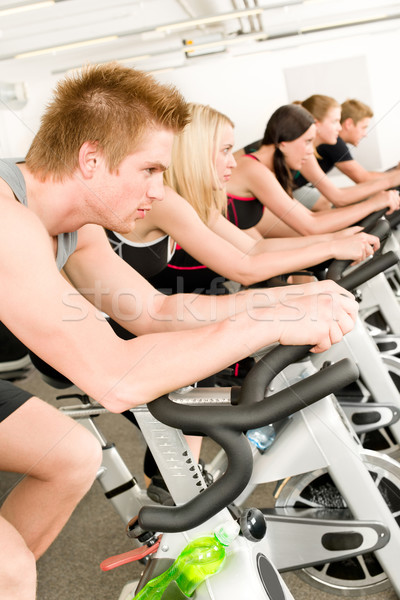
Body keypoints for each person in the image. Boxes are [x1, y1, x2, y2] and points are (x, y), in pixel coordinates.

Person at [0, 63, 359, 600]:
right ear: (91, 159)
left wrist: (287, 300)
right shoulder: (7, 218)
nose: (160, 191)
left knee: (71, 455)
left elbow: (154, 313)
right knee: (8, 566)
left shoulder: (77, 226)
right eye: (149, 170)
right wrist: (277, 318)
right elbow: (114, 377)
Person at [109, 102, 379, 300]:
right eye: (225, 150)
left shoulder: (198, 201)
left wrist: (336, 240)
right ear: (197, 154)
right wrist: (331, 248)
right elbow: (245, 268)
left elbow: (254, 249)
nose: (233, 161)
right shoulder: (165, 200)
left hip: (183, 307)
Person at [226, 104, 400, 240]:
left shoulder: (264, 169)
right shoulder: (255, 170)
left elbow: (308, 222)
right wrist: (373, 203)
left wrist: (337, 239)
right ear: (284, 143)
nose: (311, 152)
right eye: (308, 141)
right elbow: (311, 225)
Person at [317, 98, 400, 183]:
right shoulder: (335, 143)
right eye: (363, 127)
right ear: (348, 124)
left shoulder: (336, 142)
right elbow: (364, 179)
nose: (365, 134)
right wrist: (397, 172)